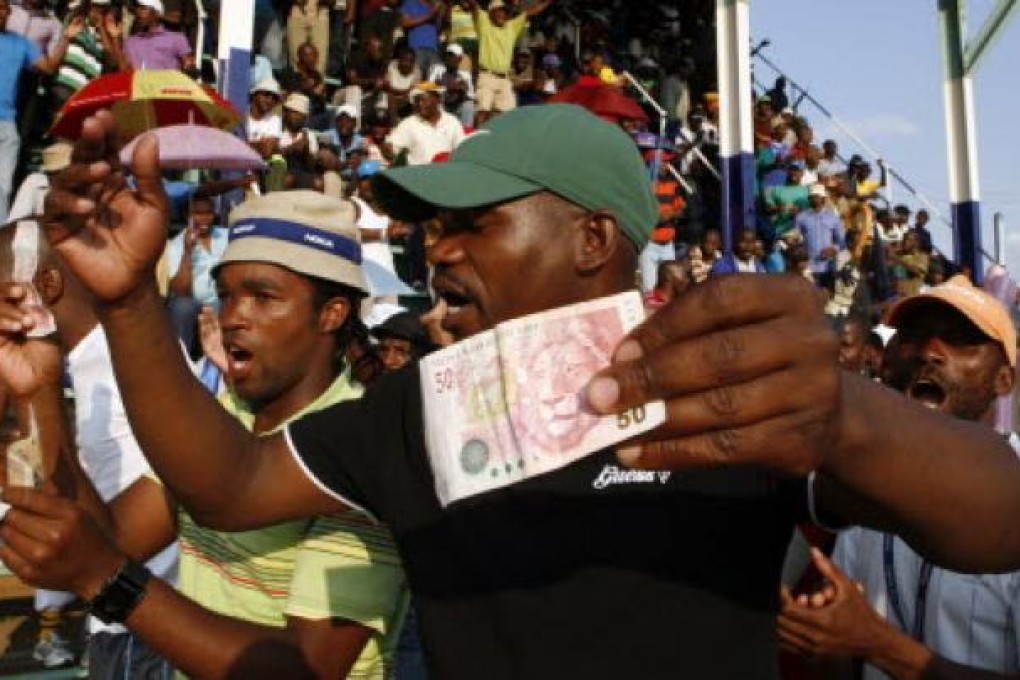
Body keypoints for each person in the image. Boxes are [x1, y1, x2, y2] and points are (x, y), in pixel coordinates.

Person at [10, 105, 1020, 678]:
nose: (436, 248)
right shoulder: (422, 408)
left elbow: (998, 525)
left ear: (592, 242)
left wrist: (846, 416)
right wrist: (134, 300)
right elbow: (226, 483)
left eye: (474, 222)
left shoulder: (728, 386)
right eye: (430, 226)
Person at [0, 193, 409, 678]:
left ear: (331, 314)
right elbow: (113, 535)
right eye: (228, 293)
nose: (234, 315)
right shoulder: (231, 411)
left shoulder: (363, 447)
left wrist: (105, 579)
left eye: (263, 297)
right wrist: (38, 388)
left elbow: (308, 669)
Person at [780, 275, 1020, 679]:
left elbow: (867, 641)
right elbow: (840, 659)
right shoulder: (863, 481)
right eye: (913, 336)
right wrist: (825, 636)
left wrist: (880, 645)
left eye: (961, 340)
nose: (929, 352)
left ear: (1004, 380)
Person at [0, 220, 179, 676]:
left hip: (151, 636)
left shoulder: (126, 374)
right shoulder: (88, 365)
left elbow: (119, 542)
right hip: (123, 627)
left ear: (47, 284)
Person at [0, 0, 80, 223]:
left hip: (8, 120)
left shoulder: (22, 44)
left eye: (5, 10)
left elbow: (50, 66)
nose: (3, 13)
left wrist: (66, 38)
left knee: (3, 188)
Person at [464, 0, 553, 124]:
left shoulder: (511, 27)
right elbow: (474, 5)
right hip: (487, 76)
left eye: (504, 11)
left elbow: (531, 11)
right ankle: (477, 140)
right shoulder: (484, 23)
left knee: (509, 116)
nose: (502, 14)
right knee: (482, 111)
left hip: (505, 79)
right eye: (498, 11)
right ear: (490, 13)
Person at [165, 195, 229, 350]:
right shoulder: (177, 245)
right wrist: (187, 251)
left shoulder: (227, 235)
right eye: (198, 214)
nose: (204, 219)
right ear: (189, 217)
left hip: (223, 298)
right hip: (194, 302)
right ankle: (182, 361)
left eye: (208, 213)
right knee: (182, 307)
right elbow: (180, 290)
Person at [384, 82, 464, 165]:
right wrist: (388, 149)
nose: (420, 104)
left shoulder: (452, 121)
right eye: (417, 101)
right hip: (418, 174)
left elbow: (461, 149)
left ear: (438, 100)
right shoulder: (408, 124)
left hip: (446, 173)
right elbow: (392, 147)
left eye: (424, 100)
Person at [121, 0, 194, 72]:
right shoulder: (130, 42)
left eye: (143, 9)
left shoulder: (177, 39)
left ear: (156, 13)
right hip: (139, 83)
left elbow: (188, 65)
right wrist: (115, 38)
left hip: (167, 82)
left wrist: (188, 66)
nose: (138, 12)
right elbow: (124, 68)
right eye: (137, 9)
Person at [796, 183, 843, 288]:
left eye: (816, 196)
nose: (813, 199)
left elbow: (841, 241)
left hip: (828, 266)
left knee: (828, 298)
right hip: (808, 268)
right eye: (811, 197)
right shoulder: (801, 217)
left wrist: (834, 249)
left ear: (823, 199)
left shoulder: (833, 217)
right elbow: (796, 239)